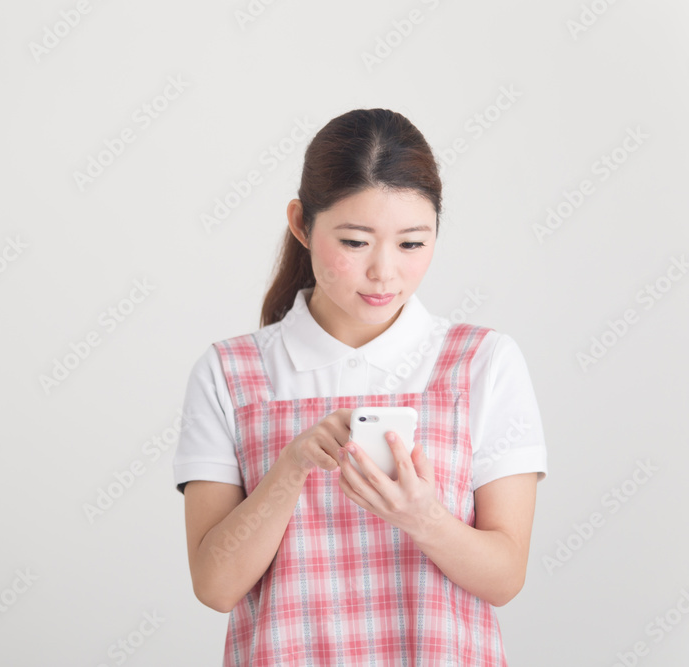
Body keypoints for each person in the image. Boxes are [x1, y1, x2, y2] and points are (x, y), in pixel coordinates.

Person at [173, 108, 548, 666]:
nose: (384, 272)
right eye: (354, 241)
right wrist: (291, 467)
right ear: (301, 224)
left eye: (411, 244)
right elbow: (215, 586)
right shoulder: (230, 372)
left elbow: (505, 578)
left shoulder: (482, 363)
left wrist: (422, 518)